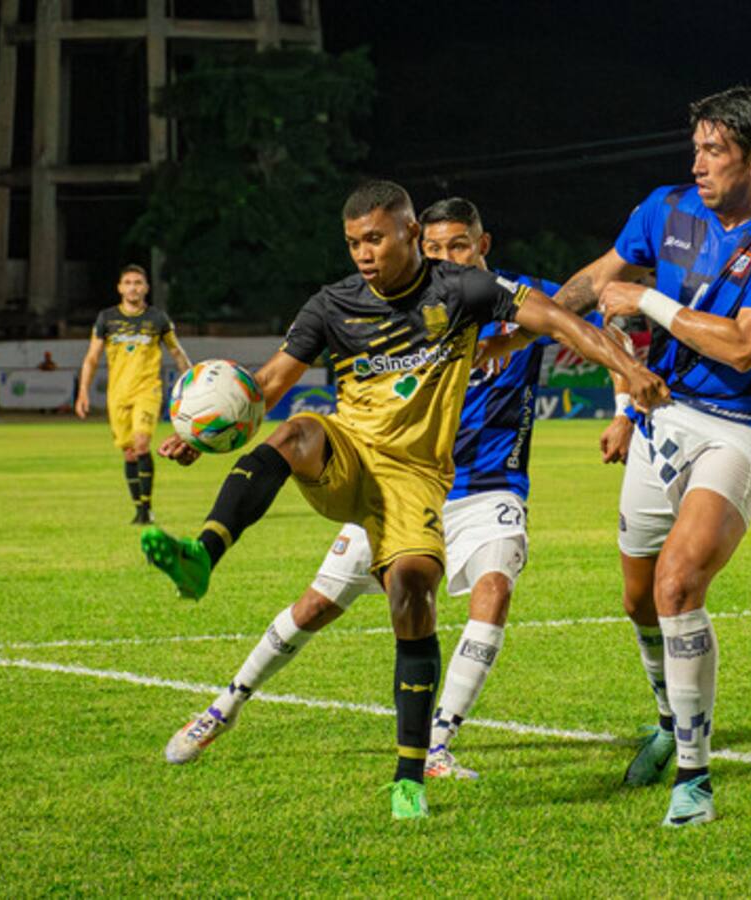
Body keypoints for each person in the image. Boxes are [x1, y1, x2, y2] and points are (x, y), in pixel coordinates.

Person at [140, 180, 668, 820]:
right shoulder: (330, 304)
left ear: (411, 235)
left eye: (375, 239)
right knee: (299, 432)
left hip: (417, 479)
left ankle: (411, 773)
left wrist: (628, 371)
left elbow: (560, 320)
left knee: (412, 593)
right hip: (349, 453)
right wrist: (210, 433)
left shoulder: (467, 291)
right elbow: (271, 384)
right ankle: (204, 554)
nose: (363, 254)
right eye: (353, 242)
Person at [563, 85, 751, 827]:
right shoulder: (664, 209)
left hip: (736, 429)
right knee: (639, 599)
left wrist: (642, 303)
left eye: (716, 150)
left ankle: (695, 778)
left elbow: (744, 346)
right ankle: (667, 717)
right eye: (697, 147)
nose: (699, 163)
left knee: (679, 584)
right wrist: (525, 324)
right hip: (657, 418)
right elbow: (593, 281)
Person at [75, 265, 192, 524]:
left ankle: (147, 507)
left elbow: (176, 352)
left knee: (141, 444)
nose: (133, 287)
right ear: (119, 288)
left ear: (146, 288)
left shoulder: (157, 319)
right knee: (129, 453)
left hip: (147, 390)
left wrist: (194, 382)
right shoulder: (106, 319)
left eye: (138, 282)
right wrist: (83, 391)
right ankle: (139, 510)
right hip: (117, 394)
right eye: (128, 282)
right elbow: (92, 358)